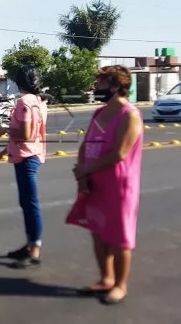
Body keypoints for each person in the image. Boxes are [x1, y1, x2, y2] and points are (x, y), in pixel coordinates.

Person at [66, 65, 143, 305]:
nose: (96, 88)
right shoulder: (99, 113)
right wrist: (82, 173)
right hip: (93, 181)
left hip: (119, 185)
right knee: (98, 232)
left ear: (116, 86)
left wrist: (87, 169)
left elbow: (120, 153)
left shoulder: (129, 115)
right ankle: (106, 278)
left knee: (119, 237)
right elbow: (86, 144)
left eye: (100, 84)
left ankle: (121, 285)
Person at [0, 66, 48, 268]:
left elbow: (25, 135)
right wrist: (3, 152)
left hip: (27, 157)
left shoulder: (25, 101)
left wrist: (4, 129)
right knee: (27, 203)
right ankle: (30, 244)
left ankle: (34, 248)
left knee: (30, 203)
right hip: (30, 155)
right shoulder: (39, 102)